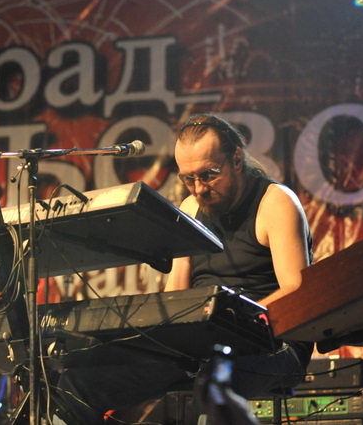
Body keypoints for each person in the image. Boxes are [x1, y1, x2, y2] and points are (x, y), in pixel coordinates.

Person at [53, 113, 314, 424]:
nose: (198, 188)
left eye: (208, 175)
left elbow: (297, 291)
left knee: (210, 384)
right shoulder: (190, 208)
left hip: (274, 345)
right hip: (201, 347)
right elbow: (176, 294)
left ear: (236, 159)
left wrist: (235, 321)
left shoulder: (275, 203)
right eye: (188, 179)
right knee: (77, 383)